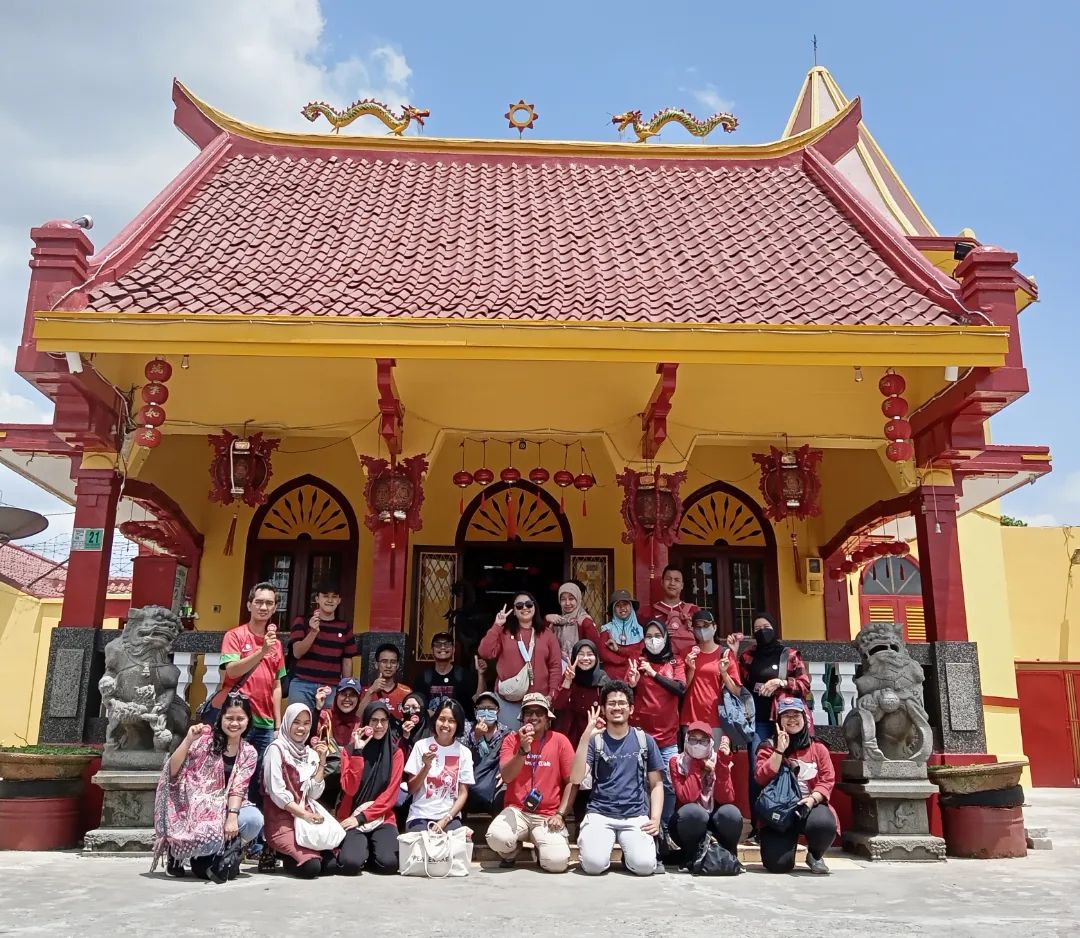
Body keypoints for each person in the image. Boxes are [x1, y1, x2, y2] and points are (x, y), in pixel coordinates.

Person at [153, 693, 263, 883]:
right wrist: (188, 740)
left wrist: (232, 817)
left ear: (248, 721)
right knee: (208, 851)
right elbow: (172, 770)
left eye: (240, 719)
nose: (234, 723)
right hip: (195, 803)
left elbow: (239, 787)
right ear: (221, 718)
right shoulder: (205, 741)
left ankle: (230, 847)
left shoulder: (249, 752)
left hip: (227, 805)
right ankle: (178, 853)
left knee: (254, 820)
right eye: (229, 718)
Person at [570, 682, 664, 876]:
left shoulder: (644, 740)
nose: (617, 707)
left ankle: (630, 854)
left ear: (631, 709)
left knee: (645, 866)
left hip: (635, 814)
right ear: (603, 709)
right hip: (600, 813)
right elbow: (576, 778)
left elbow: (656, 784)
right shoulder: (596, 741)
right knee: (593, 866)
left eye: (622, 703)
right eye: (611, 703)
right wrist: (586, 735)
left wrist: (655, 819)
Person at [486, 692, 575, 873]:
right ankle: (512, 851)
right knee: (496, 837)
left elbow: (572, 782)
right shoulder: (512, 740)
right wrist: (522, 751)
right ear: (522, 717)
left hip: (547, 815)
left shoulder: (560, 741)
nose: (533, 717)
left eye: (539, 712)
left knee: (557, 864)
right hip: (517, 810)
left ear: (547, 717)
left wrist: (560, 815)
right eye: (529, 712)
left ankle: (541, 847)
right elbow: (507, 776)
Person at [218, 582, 286, 809]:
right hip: (238, 722)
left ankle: (255, 840)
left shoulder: (277, 645)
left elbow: (277, 685)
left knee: (261, 780)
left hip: (266, 724)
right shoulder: (235, 635)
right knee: (232, 775)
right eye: (259, 602)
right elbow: (232, 670)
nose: (263, 607)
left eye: (269, 603)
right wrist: (262, 651)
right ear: (249, 604)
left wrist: (278, 725)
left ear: (275, 608)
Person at [754, 697, 838, 875]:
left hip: (808, 807)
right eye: (786, 716)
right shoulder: (768, 747)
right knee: (778, 865)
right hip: (779, 810)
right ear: (779, 721)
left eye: (796, 715)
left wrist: (812, 799)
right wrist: (779, 750)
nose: (792, 719)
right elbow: (761, 778)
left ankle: (815, 855)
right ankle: (782, 845)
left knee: (823, 823)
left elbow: (827, 779)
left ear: (805, 718)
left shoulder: (818, 748)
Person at [738, 612, 810, 804]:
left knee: (788, 767)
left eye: (766, 628)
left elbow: (805, 686)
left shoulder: (790, 655)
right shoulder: (747, 656)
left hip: (786, 721)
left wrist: (781, 682)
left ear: (775, 628)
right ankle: (759, 823)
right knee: (758, 770)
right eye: (757, 629)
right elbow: (739, 685)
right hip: (758, 721)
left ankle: (789, 814)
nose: (762, 632)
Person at [261, 702, 339, 878]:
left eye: (305, 723)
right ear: (287, 722)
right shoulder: (276, 749)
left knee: (332, 865)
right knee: (311, 868)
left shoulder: (308, 753)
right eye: (296, 722)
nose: (301, 728)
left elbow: (313, 794)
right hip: (282, 820)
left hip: (304, 822)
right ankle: (279, 851)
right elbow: (277, 793)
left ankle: (297, 854)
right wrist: (305, 815)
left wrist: (322, 762)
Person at [627, 619, 686, 827]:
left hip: (668, 737)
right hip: (642, 736)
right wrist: (632, 684)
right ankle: (643, 827)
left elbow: (680, 689)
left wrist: (653, 673)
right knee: (641, 784)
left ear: (666, 638)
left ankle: (664, 828)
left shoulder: (675, 662)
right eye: (649, 636)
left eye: (657, 636)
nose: (653, 641)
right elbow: (627, 693)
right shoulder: (638, 660)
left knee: (669, 784)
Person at [337, 701, 404, 875]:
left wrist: (362, 817)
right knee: (349, 864)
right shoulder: (349, 751)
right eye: (374, 720)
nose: (379, 726)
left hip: (381, 817)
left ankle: (371, 852)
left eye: (384, 720)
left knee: (389, 864)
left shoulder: (396, 753)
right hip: (351, 817)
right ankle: (360, 852)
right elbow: (349, 789)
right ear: (366, 722)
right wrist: (358, 752)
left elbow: (390, 796)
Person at [478, 591, 562, 729]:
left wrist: (552, 694)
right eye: (519, 606)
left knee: (536, 745)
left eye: (529, 604)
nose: (525, 608)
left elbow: (555, 666)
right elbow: (485, 652)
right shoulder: (505, 632)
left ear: (535, 608)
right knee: (509, 743)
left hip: (538, 702)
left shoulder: (547, 634)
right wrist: (497, 625)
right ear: (514, 612)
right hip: (509, 701)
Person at [668, 721, 742, 867]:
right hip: (688, 823)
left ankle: (728, 857)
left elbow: (726, 797)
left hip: (714, 820)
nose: (698, 744)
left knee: (731, 813)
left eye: (703, 740)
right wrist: (696, 765)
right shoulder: (677, 762)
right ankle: (690, 856)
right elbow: (687, 798)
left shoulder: (719, 759)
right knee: (694, 812)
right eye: (693, 739)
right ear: (686, 740)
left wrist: (722, 764)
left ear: (711, 742)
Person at [287, 581, 358, 716]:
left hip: (331, 687)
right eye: (325, 596)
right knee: (298, 726)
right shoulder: (301, 621)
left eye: (334, 596)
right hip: (302, 684)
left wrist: (346, 688)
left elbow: (347, 661)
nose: (330, 600)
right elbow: (297, 652)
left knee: (326, 728)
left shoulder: (344, 627)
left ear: (339, 600)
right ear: (317, 598)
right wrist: (313, 632)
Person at [404, 698, 475, 831]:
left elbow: (463, 793)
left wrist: (446, 819)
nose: (445, 724)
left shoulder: (464, 752)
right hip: (419, 815)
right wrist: (426, 767)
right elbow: (411, 789)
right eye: (442, 719)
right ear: (435, 720)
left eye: (452, 720)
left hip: (449, 816)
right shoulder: (421, 745)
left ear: (458, 724)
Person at [681, 610, 741, 744]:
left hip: (717, 720)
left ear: (714, 627)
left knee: (714, 763)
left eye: (706, 626)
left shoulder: (725, 654)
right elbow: (681, 688)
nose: (702, 630)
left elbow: (737, 691)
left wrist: (724, 673)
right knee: (691, 763)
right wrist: (690, 669)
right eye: (698, 627)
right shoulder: (687, 653)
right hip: (690, 718)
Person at [313, 678, 363, 809]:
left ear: (358, 699)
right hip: (323, 782)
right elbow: (311, 737)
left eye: (352, 695)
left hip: (348, 787)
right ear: (336, 696)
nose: (347, 699)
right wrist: (317, 709)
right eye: (343, 694)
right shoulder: (325, 716)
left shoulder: (360, 724)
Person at [552, 638, 609, 746]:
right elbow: (558, 705)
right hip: (570, 736)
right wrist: (568, 681)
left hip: (596, 736)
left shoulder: (603, 679)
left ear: (596, 657)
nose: (585, 658)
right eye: (581, 654)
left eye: (589, 654)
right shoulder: (568, 676)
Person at [463, 690, 510, 814]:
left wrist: (506, 774)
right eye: (482, 708)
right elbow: (460, 754)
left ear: (497, 711)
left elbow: (511, 758)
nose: (486, 712)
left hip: (494, 785)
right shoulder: (467, 729)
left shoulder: (506, 733)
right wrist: (476, 736)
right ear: (476, 711)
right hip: (469, 784)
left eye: (490, 708)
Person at [643, 565, 700, 658]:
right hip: (659, 664)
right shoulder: (648, 611)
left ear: (682, 585)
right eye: (668, 579)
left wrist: (694, 631)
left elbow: (705, 640)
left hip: (689, 662)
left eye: (677, 580)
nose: (672, 583)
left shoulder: (693, 610)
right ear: (661, 582)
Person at [419, 631, 478, 717]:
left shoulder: (464, 675)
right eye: (438, 645)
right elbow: (418, 706)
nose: (442, 647)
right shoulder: (423, 677)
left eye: (447, 644)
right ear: (432, 650)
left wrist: (481, 674)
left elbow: (479, 701)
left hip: (460, 728)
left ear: (453, 649)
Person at [544, 581, 596, 668]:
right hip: (559, 669)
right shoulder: (556, 621)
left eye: (571, 599)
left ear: (578, 599)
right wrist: (546, 618)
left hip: (581, 670)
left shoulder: (584, 621)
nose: (567, 603)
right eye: (563, 599)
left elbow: (595, 649)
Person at [596, 589, 644, 682]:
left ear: (631, 607)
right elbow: (604, 655)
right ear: (613, 609)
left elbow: (640, 654)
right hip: (611, 679)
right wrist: (628, 659)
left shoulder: (640, 631)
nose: (622, 608)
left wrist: (619, 650)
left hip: (634, 678)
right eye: (618, 605)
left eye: (625, 604)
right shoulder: (606, 630)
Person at [360, 643, 412, 719]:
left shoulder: (407, 692)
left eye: (393, 662)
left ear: (397, 666)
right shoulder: (364, 692)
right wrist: (371, 691)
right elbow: (357, 719)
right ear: (376, 664)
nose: (388, 666)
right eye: (384, 661)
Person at [398, 691, 431, 758]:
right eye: (406, 708)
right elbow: (397, 755)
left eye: (415, 707)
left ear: (422, 709)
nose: (411, 711)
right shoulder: (397, 731)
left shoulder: (432, 731)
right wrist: (405, 737)